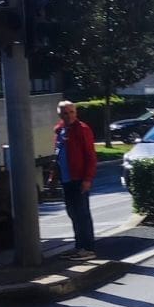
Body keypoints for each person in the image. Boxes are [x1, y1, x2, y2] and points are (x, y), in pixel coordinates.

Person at [54, 100, 97, 259]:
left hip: (79, 178)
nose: (69, 115)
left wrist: (87, 179)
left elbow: (91, 157)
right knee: (72, 213)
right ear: (60, 115)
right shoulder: (60, 131)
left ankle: (88, 248)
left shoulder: (82, 130)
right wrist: (54, 176)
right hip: (66, 179)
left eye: (71, 112)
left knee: (82, 213)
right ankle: (79, 246)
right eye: (65, 113)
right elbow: (59, 155)